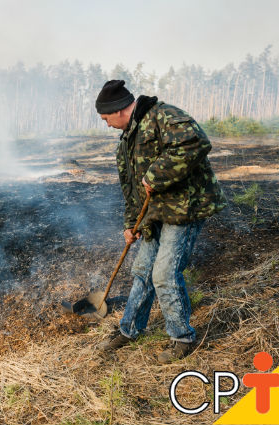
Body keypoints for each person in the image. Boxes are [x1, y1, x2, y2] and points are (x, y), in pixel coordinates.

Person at [94, 80, 226, 363]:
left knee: (164, 274)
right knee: (142, 269)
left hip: (184, 208)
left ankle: (182, 337)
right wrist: (131, 225)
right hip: (155, 214)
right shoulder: (126, 142)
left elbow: (196, 142)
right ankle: (130, 330)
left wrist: (156, 175)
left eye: (105, 118)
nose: (106, 124)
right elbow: (131, 189)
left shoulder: (162, 116)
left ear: (117, 110)